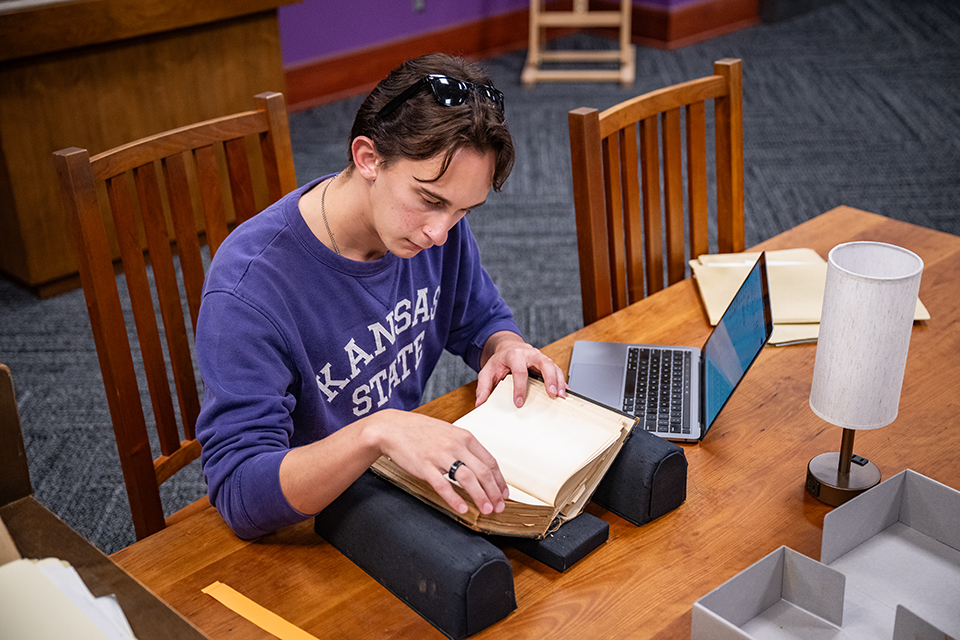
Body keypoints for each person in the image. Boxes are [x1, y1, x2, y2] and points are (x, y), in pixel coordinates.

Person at [195, 53, 567, 540]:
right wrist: (379, 431)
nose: (440, 233)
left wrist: (505, 346)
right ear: (368, 158)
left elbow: (478, 318)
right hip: (310, 521)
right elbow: (241, 493)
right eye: (430, 201)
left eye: (463, 211)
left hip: (394, 480)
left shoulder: (432, 228)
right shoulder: (249, 288)